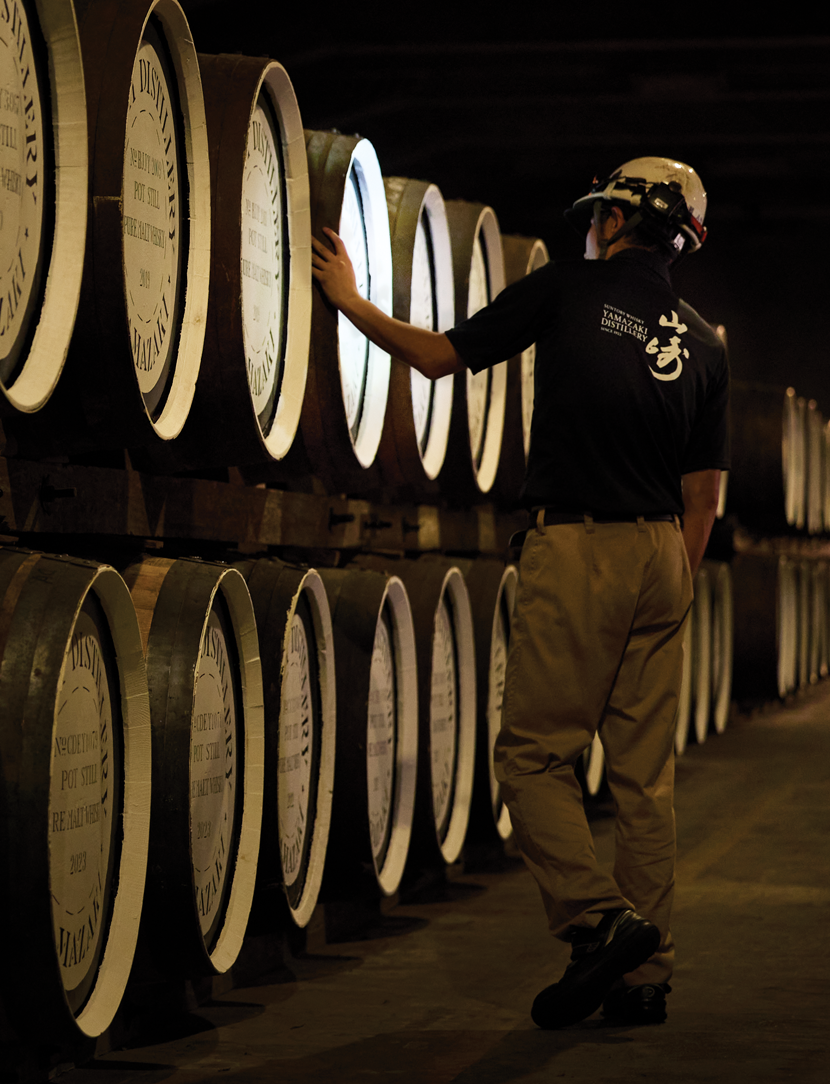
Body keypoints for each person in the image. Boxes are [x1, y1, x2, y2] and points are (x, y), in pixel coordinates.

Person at [311, 156, 729, 1030]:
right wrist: (673, 585)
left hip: (581, 545)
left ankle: (600, 919)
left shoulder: (569, 289)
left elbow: (436, 358)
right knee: (646, 783)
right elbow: (706, 498)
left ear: (619, 220)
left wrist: (350, 301)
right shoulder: (702, 340)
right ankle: (646, 978)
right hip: (665, 555)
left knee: (533, 758)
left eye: (602, 212)